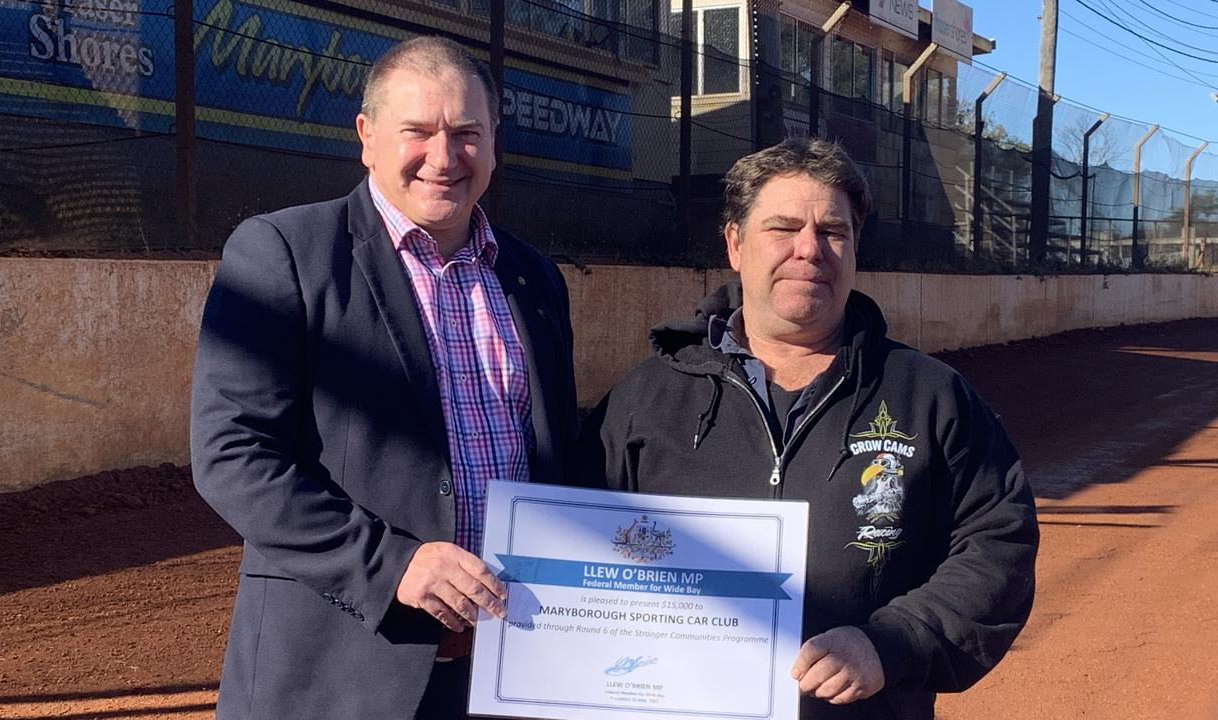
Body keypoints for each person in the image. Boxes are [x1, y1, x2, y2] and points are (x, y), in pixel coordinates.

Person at [578, 138, 1038, 720]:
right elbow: (573, 547)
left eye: (833, 232)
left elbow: (998, 542)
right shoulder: (645, 397)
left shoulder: (931, 396)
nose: (809, 250)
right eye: (784, 228)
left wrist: (890, 643)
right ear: (735, 244)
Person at [190, 36, 576, 720]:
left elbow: (554, 456)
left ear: (492, 144)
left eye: (466, 133)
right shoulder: (282, 253)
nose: (444, 156)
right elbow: (233, 457)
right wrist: (392, 563)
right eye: (417, 132)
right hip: (341, 674)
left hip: (506, 668)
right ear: (367, 137)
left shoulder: (533, 276)